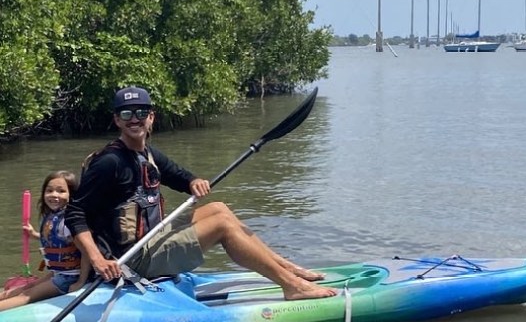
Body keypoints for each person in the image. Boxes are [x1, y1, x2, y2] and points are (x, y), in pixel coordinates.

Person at [65, 86, 337, 301]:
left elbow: (179, 176)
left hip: (150, 238)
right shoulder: (109, 162)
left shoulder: (147, 152)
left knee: (219, 208)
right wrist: (99, 260)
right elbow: (75, 212)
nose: (134, 119)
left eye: (140, 112)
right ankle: (291, 286)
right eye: (126, 114)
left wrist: (195, 181)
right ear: (117, 120)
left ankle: (288, 269)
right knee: (221, 226)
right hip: (132, 259)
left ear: (151, 117)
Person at [0, 171, 91, 311]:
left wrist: (80, 282)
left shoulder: (69, 221)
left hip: (69, 278)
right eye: (49, 190)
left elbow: (86, 252)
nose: (54, 194)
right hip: (57, 273)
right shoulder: (52, 217)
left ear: (71, 195)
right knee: (27, 286)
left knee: (26, 295)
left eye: (61, 191)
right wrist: (34, 234)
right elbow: (57, 241)